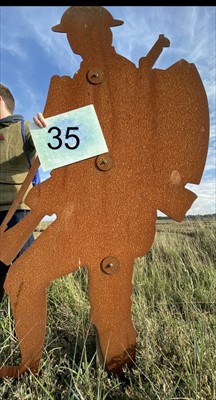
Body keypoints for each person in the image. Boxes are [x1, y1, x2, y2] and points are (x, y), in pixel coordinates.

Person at [0, 83, 47, 303]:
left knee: (23, 286)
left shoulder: (26, 129)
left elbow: (55, 146)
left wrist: (47, 131)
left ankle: (24, 334)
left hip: (17, 215)